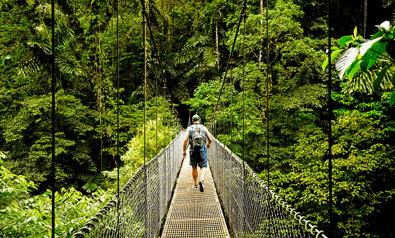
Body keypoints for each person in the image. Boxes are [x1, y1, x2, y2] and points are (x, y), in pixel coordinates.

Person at [182, 114, 212, 192]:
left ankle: (195, 185)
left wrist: (184, 151)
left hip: (193, 150)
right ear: (199, 120)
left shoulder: (189, 128)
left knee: (194, 167)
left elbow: (185, 141)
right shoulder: (204, 128)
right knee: (203, 166)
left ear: (192, 121)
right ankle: (201, 179)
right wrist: (208, 144)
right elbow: (210, 139)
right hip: (203, 150)